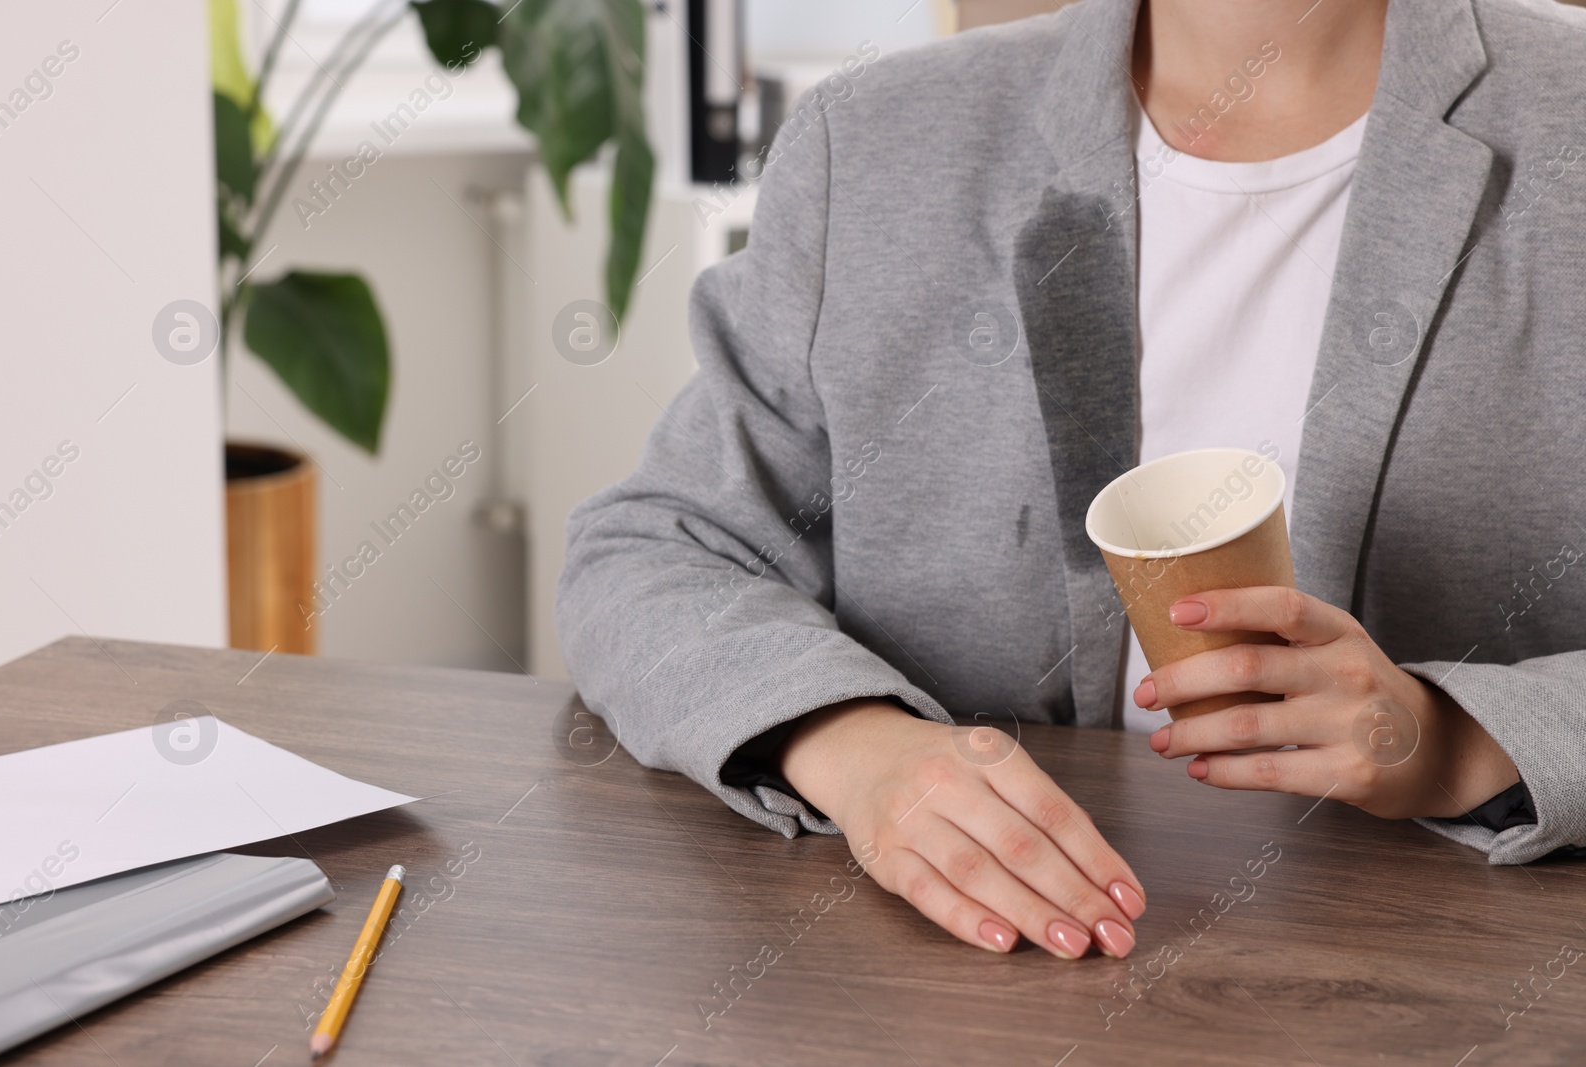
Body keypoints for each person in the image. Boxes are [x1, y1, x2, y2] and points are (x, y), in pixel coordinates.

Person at [557, 0, 1586, 960]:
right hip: (954, 974)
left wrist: (1455, 742)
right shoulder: (871, 141)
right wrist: (848, 743)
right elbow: (652, 549)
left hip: (1438, 967)